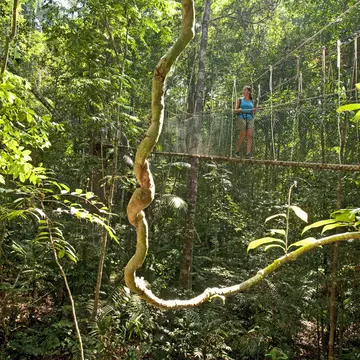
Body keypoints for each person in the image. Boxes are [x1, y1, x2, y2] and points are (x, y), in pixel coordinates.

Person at [234, 85, 256, 158]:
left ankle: (248, 153)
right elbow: (235, 110)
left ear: (249, 92)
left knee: (250, 135)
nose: (243, 91)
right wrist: (239, 109)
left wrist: (255, 110)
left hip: (249, 118)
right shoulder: (240, 99)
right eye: (243, 90)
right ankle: (237, 151)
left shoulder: (251, 101)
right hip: (241, 117)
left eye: (245, 90)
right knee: (243, 135)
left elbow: (253, 112)